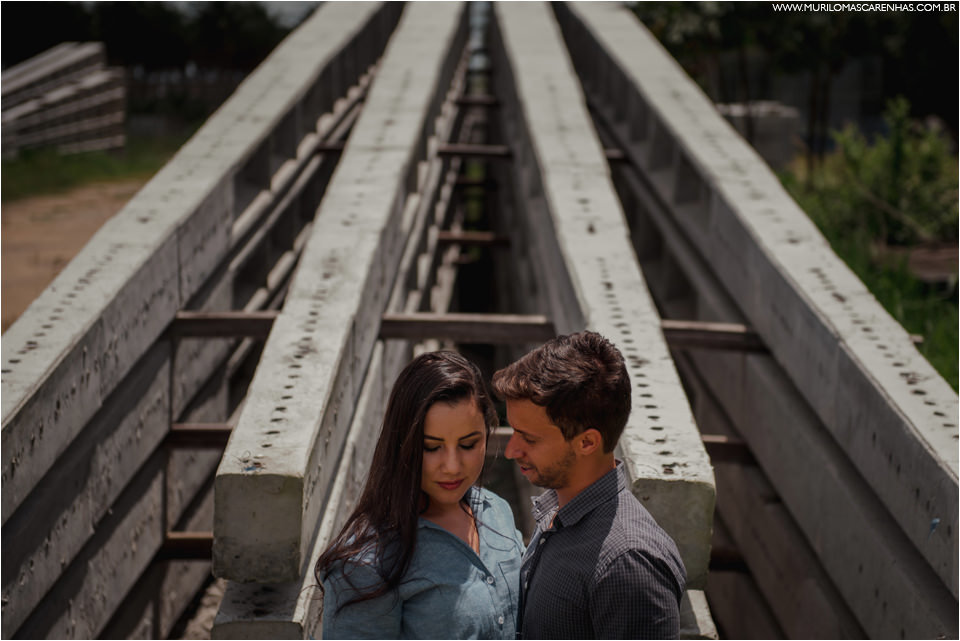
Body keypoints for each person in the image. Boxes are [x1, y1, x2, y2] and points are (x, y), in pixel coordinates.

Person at [316, 351, 524, 640]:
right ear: (403, 443)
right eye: (431, 447)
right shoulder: (367, 564)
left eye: (468, 444)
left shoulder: (497, 511)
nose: (452, 466)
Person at [492, 331, 686, 639]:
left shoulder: (628, 565)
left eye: (528, 438)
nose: (511, 450)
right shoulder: (560, 510)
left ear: (587, 442)